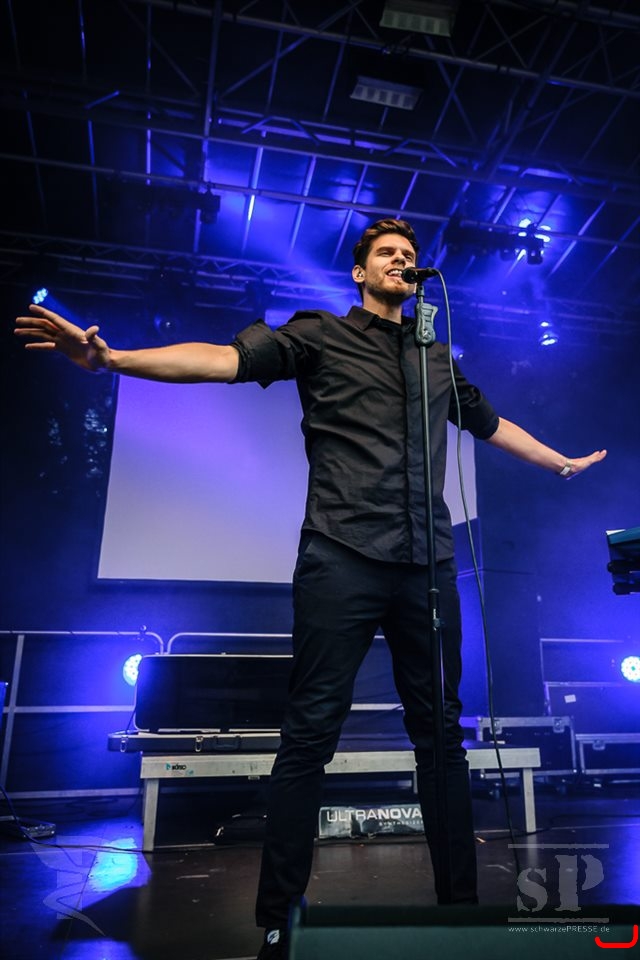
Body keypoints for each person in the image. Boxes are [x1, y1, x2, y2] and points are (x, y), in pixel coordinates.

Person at [15, 218, 606, 960]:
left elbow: (490, 424)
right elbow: (222, 360)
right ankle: (277, 920)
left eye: (410, 255)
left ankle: (460, 913)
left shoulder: (434, 357)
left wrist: (559, 462)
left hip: (426, 565)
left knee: (442, 739)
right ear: (360, 272)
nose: (402, 261)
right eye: (387, 253)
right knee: (309, 736)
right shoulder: (320, 334)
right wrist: (112, 359)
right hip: (341, 555)